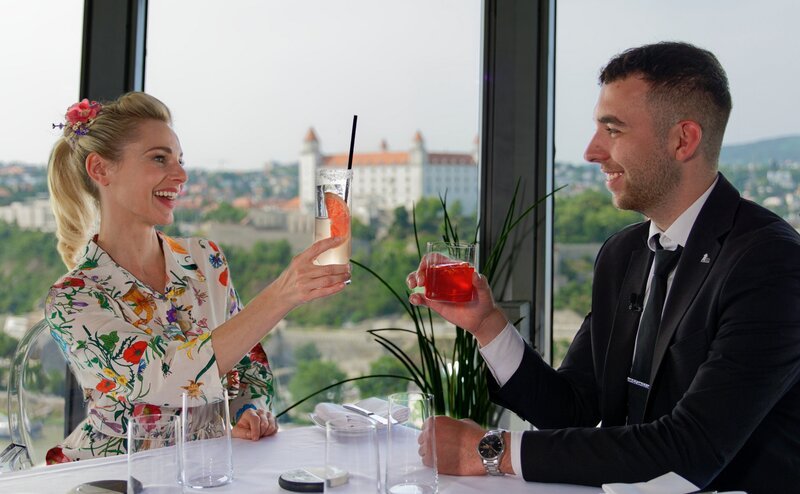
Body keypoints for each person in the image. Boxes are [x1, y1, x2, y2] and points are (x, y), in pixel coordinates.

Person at [408, 42, 800, 493]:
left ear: (683, 140)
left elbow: (692, 450)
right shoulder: (623, 254)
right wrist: (487, 324)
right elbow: (570, 409)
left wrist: (489, 451)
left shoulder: (772, 263)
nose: (592, 151)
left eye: (612, 130)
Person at [44, 92, 350, 463]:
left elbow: (246, 363)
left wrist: (247, 411)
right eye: (159, 158)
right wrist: (282, 294)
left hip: (212, 469)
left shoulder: (205, 259)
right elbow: (167, 375)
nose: (181, 175)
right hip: (116, 476)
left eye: (180, 160)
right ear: (101, 170)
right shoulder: (71, 300)